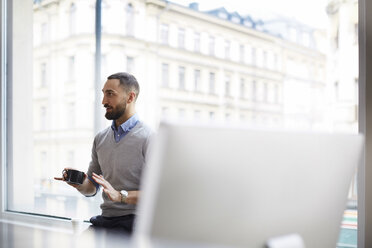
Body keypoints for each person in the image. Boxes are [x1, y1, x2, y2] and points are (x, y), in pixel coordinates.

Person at [55, 72, 153, 234]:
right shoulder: (100, 138)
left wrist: (121, 196)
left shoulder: (149, 138)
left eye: (110, 94)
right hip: (105, 219)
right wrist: (79, 183)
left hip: (136, 222)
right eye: (103, 94)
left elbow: (157, 194)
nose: (103, 101)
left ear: (130, 98)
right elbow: (91, 188)